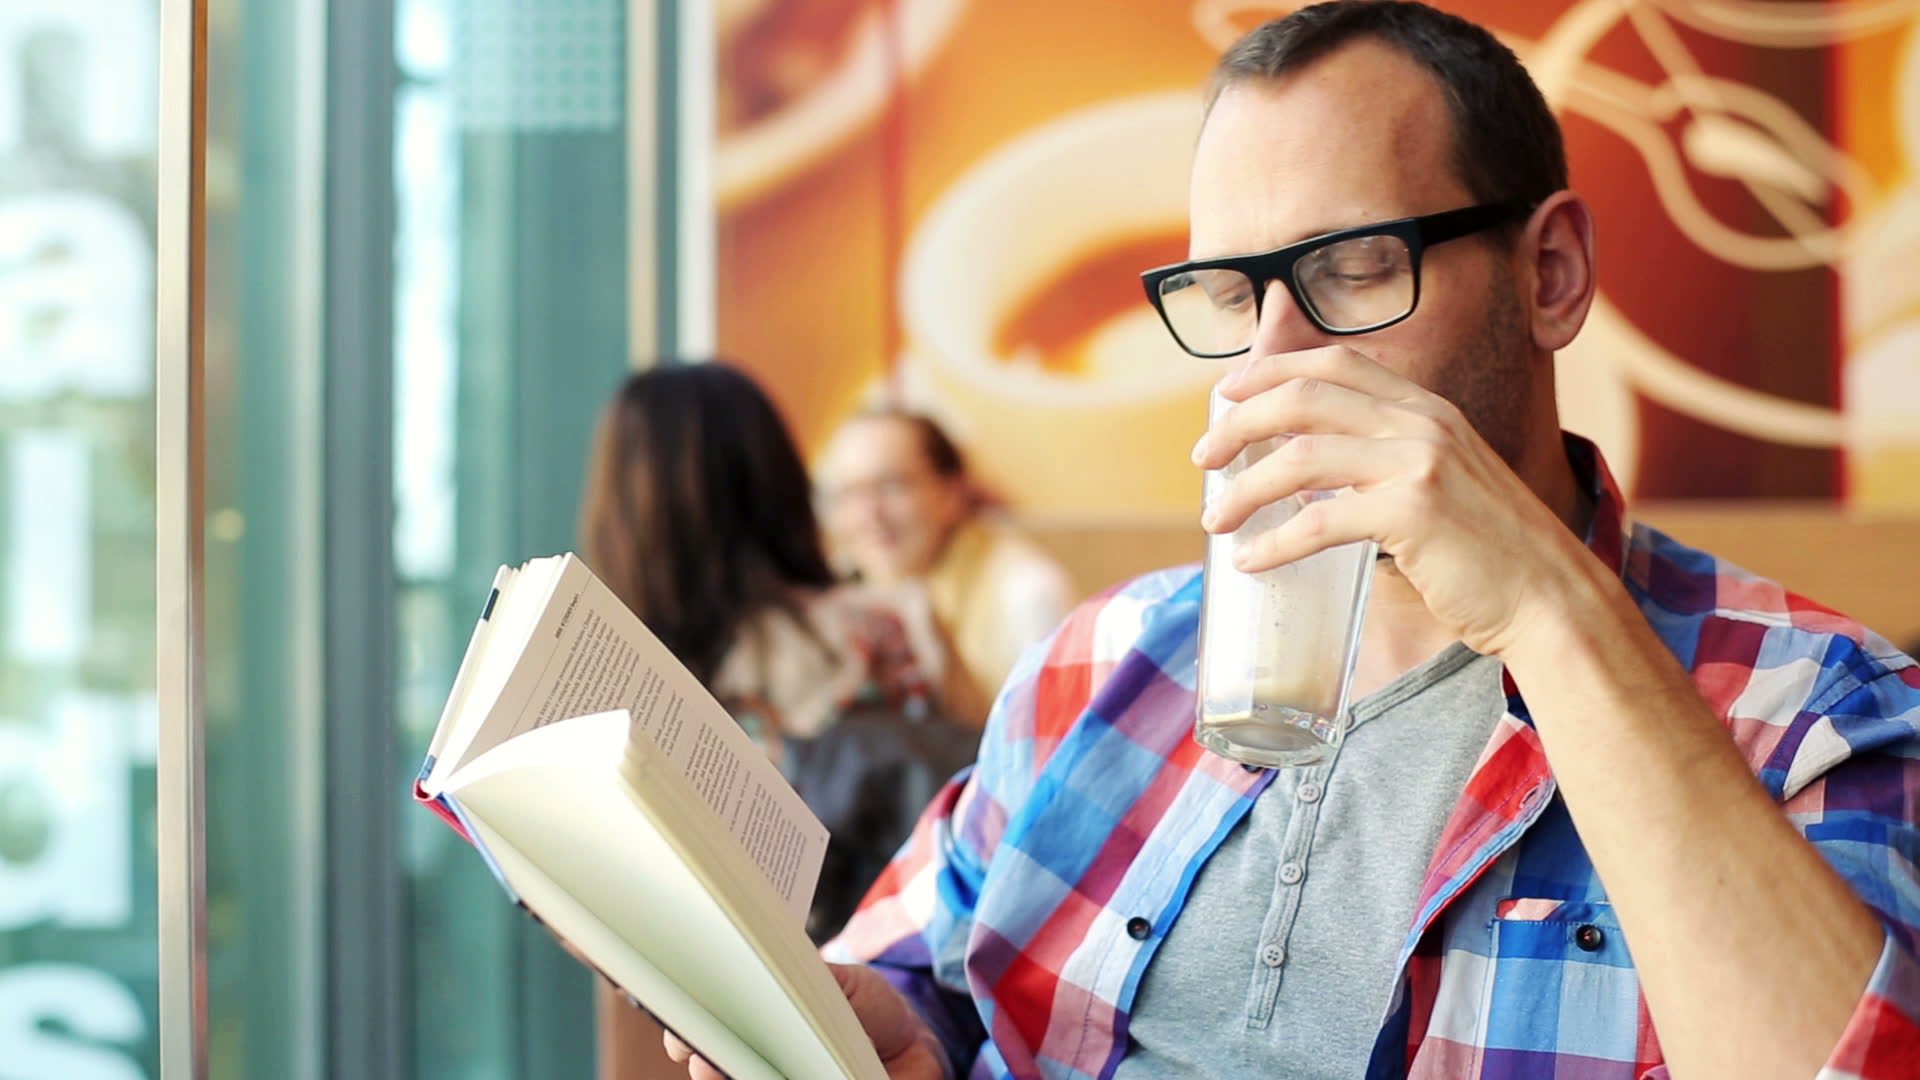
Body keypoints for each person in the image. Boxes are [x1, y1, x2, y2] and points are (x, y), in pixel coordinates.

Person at [664, 4, 1920, 1078]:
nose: (1271, 360)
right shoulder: (1096, 664)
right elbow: (926, 970)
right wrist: (887, 1022)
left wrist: (1545, 605)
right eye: (1228, 293)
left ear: (1549, 275)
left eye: (1355, 267)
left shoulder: (1810, 707)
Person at [579, 362, 981, 1077]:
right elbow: (976, 801)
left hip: (685, 1029)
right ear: (778, 484)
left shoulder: (607, 680)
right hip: (873, 1007)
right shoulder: (879, 629)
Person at [816, 410, 1076, 725]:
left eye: (892, 486)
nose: (869, 515)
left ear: (953, 492)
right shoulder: (841, 594)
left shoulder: (1026, 591)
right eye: (848, 494)